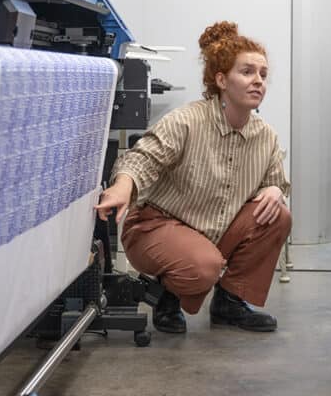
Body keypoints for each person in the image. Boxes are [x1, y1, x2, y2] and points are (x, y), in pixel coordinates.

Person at [95, 21, 291, 333]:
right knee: (203, 267)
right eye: (247, 72)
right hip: (156, 226)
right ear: (221, 79)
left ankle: (229, 302)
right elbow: (144, 157)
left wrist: (274, 190)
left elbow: (277, 181)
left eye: (263, 75)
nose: (258, 82)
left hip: (210, 231)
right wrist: (122, 186)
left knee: (276, 214)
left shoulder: (264, 136)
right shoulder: (188, 121)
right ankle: (166, 296)